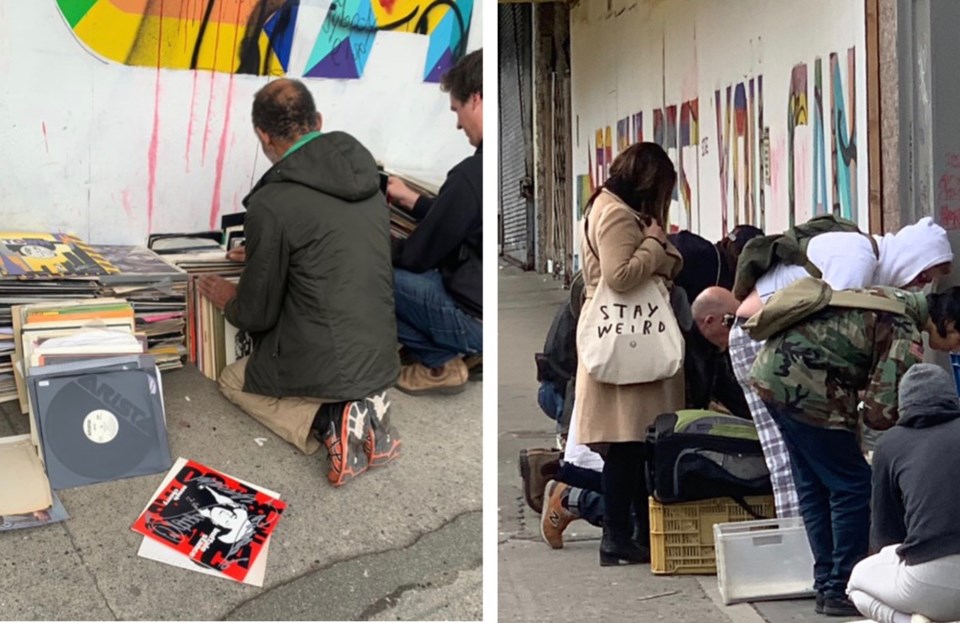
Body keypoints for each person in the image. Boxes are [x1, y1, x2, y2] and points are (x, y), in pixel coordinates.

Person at [198, 78, 401, 488]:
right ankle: (364, 411)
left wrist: (229, 298)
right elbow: (326, 252)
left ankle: (331, 419)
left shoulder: (271, 204)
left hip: (327, 360)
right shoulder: (370, 182)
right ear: (319, 121)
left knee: (234, 380)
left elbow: (257, 314)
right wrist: (264, 254)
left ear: (263, 135)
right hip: (382, 356)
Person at [750, 285, 960, 616]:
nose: (955, 349)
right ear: (947, 322)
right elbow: (880, 412)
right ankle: (841, 586)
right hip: (807, 387)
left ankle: (826, 584)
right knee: (854, 486)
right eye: (958, 340)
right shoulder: (905, 332)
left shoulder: (893, 298)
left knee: (814, 487)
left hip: (773, 375)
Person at [729, 217, 954, 520]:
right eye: (924, 274)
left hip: (776, 347)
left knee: (807, 471)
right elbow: (830, 334)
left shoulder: (868, 264)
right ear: (913, 257)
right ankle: (812, 548)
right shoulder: (857, 260)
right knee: (798, 465)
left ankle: (815, 553)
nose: (922, 284)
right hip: (761, 339)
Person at [575, 141, 685, 566]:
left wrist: (660, 250)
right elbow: (620, 276)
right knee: (627, 447)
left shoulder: (605, 206)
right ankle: (617, 537)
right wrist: (656, 245)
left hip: (626, 336)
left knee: (633, 447)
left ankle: (628, 533)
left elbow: (666, 262)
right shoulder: (618, 215)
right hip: (629, 339)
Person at [388, 48, 483, 396]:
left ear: (476, 99)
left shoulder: (471, 175)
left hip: (474, 320)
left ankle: (440, 362)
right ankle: (467, 352)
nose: (458, 123)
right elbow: (459, 220)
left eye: (457, 110)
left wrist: (367, 241)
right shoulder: (482, 171)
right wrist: (412, 200)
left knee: (370, 273)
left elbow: (416, 255)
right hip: (483, 313)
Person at [847, 364, 960, 623]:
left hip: (929, 579)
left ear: (902, 405)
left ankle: (908, 622)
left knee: (856, 583)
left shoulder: (890, 444)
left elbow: (886, 534)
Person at [685, 286, 749, 418]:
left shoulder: (715, 350)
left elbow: (733, 396)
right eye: (731, 321)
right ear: (709, 321)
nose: (738, 330)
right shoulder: (681, 355)